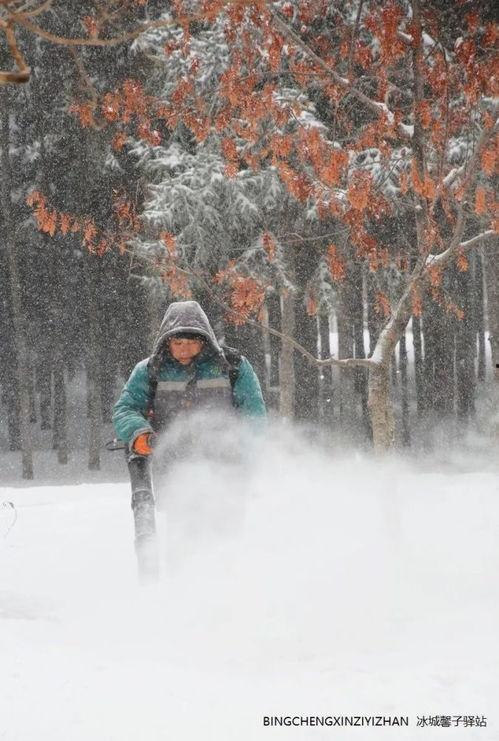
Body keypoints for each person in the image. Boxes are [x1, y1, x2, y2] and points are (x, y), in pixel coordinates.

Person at [112, 300, 266, 581]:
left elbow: (254, 416)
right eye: (178, 343)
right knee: (183, 545)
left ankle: (224, 594)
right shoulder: (150, 371)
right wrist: (139, 432)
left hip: (225, 472)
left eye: (192, 343)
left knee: (224, 546)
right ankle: (183, 594)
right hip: (176, 473)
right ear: (166, 342)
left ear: (205, 340)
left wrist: (242, 457)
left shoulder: (232, 367)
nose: (184, 349)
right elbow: (125, 408)